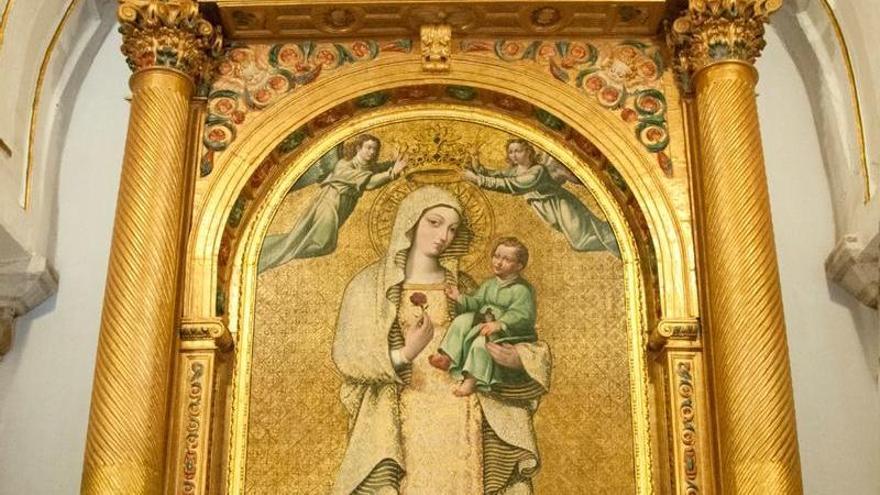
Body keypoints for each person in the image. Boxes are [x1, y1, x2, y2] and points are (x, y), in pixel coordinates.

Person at [331, 186, 551, 494]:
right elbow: (348, 355)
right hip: (403, 409)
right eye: (434, 222)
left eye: (452, 228)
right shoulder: (368, 286)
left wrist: (518, 358)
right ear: (411, 221)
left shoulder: (464, 286)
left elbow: (513, 334)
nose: (444, 235)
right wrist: (405, 353)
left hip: (462, 405)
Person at [258, 134, 407, 272]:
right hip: (330, 203)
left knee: (314, 242)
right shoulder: (344, 165)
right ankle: (269, 253)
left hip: (343, 206)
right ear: (358, 148)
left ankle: (276, 250)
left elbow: (379, 167)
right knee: (322, 244)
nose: (372, 152)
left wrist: (395, 161)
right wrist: (392, 173)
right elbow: (368, 183)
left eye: (375, 149)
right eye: (368, 148)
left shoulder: (368, 167)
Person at [464, 138, 620, 257]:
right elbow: (492, 174)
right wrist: (475, 161)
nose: (514, 155)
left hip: (561, 205)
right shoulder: (516, 170)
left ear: (529, 151)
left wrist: (478, 180)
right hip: (548, 209)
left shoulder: (537, 170)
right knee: (581, 240)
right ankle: (614, 237)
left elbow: (512, 184)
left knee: (580, 242)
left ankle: (617, 240)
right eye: (511, 152)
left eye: (518, 151)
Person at [430, 237, 537, 397]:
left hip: (508, 333)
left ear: (519, 266)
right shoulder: (490, 284)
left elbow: (522, 315)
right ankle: (447, 356)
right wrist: (459, 297)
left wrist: (500, 324)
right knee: (462, 320)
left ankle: (471, 380)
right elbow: (477, 302)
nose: (498, 262)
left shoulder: (521, 290)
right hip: (484, 322)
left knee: (481, 344)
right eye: (497, 256)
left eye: (506, 259)